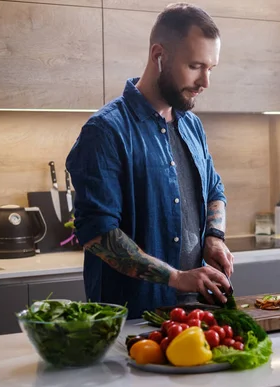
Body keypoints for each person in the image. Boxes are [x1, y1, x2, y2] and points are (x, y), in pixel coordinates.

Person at [66, 3, 233, 319]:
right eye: (195, 66)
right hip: (130, 319)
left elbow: (214, 190)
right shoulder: (105, 131)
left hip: (194, 313)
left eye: (210, 69)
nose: (205, 82)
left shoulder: (191, 125)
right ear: (160, 55)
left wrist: (214, 238)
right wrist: (177, 277)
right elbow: (99, 235)